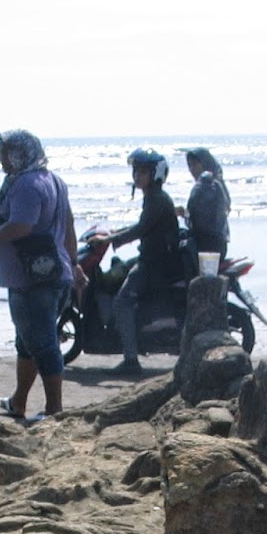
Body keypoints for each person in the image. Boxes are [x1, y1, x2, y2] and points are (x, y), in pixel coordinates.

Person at [0, 129, 78, 421]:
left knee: (43, 342)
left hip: (33, 280)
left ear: (19, 154)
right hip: (55, 273)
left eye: (4, 152)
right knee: (27, 341)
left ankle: (54, 409)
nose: (0, 158)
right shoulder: (54, 181)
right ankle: (18, 401)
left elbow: (22, 226)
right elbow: (68, 226)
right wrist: (76, 264)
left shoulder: (26, 184)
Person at [88, 148, 181, 376]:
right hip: (150, 258)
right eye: (136, 171)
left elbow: (141, 229)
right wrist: (112, 233)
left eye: (143, 172)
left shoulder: (157, 200)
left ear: (155, 174)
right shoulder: (152, 198)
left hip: (155, 265)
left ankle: (131, 359)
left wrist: (110, 239)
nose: (137, 176)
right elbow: (141, 227)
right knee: (118, 267)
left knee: (121, 302)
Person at [183, 147, 230, 261]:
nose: (192, 169)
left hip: (209, 245)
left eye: (195, 165)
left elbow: (202, 218)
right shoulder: (215, 184)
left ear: (205, 164)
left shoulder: (209, 186)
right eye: (190, 165)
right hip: (215, 242)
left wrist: (185, 214)